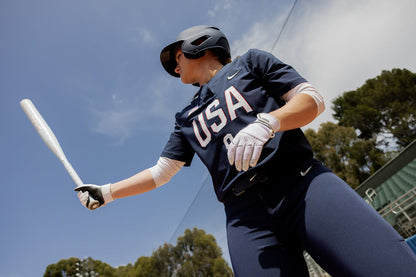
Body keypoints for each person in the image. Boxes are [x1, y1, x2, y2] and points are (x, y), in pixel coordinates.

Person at [76, 25, 416, 276]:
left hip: (302, 185)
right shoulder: (185, 116)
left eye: (177, 57)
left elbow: (311, 100)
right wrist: (107, 192)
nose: (175, 67)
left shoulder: (250, 63)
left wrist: (268, 122)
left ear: (200, 43)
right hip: (245, 219)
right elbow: (161, 173)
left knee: (388, 269)